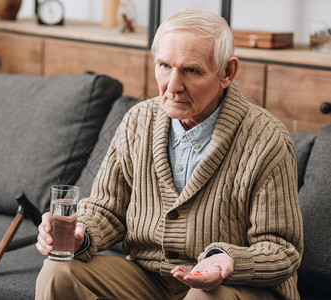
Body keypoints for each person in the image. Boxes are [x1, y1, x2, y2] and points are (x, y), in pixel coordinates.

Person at [35, 8, 303, 300]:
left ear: (227, 72)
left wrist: (228, 261)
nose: (173, 87)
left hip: (235, 287)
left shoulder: (267, 139)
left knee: (203, 297)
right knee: (57, 270)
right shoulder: (138, 120)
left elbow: (282, 250)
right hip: (148, 278)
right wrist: (81, 235)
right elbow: (106, 209)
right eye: (164, 65)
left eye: (191, 70)